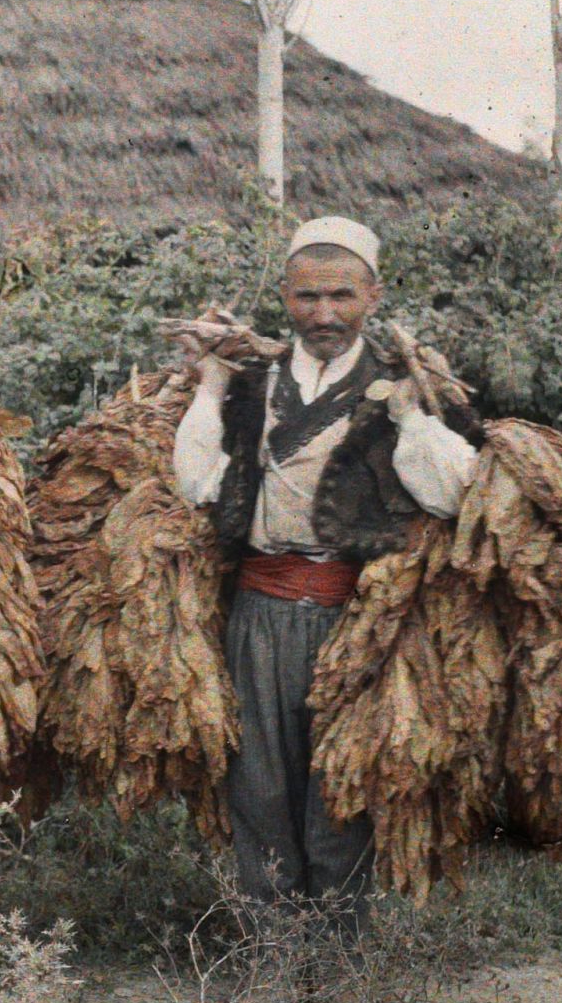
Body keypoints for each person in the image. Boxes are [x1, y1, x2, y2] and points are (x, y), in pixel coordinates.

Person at [171, 215, 483, 921]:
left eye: (343, 296)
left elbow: (456, 491)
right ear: (285, 295)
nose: (325, 315)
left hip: (358, 628)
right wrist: (210, 385)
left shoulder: (401, 386)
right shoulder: (252, 384)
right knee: (258, 791)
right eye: (309, 297)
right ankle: (272, 961)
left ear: (374, 295)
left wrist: (408, 417)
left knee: (343, 797)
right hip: (259, 615)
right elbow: (196, 483)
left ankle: (340, 980)